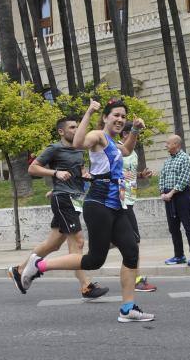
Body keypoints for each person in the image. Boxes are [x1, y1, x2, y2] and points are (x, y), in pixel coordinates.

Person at [21, 100, 154, 322]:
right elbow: (78, 143)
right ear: (105, 118)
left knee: (131, 251)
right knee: (94, 260)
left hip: (116, 203)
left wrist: (136, 130)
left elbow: (128, 149)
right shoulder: (98, 136)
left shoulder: (113, 142)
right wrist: (89, 111)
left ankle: (127, 309)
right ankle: (39, 265)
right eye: (116, 116)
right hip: (99, 203)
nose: (120, 119)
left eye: (123, 116)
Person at [9, 116, 109, 300]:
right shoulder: (54, 148)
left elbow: (76, 173)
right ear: (61, 132)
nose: (75, 130)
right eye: (72, 127)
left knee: (53, 244)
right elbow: (33, 169)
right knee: (77, 242)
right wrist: (55, 173)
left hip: (75, 199)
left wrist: (84, 175)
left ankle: (19, 269)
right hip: (64, 200)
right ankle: (86, 286)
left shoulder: (79, 150)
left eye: (77, 127)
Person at [118, 123, 157, 293]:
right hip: (121, 201)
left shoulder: (132, 152)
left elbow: (130, 173)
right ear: (125, 135)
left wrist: (141, 175)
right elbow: (104, 170)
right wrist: (119, 174)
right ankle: (136, 279)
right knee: (134, 241)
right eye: (134, 134)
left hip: (130, 200)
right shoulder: (117, 150)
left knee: (126, 242)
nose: (136, 138)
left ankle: (131, 276)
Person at [160, 135, 190, 266]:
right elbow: (162, 176)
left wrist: (171, 193)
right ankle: (179, 256)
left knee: (188, 226)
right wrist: (162, 192)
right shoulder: (167, 161)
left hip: (181, 196)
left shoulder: (185, 158)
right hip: (168, 197)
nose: (165, 145)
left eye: (168, 143)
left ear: (176, 144)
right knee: (173, 228)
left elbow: (184, 180)